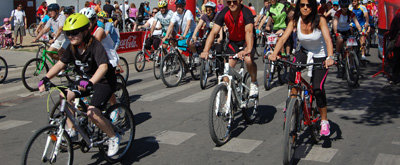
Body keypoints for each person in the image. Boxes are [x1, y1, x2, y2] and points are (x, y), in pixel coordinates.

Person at [38, 13, 120, 157]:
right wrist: (45, 78)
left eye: (75, 32)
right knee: (63, 95)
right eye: (68, 33)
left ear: (85, 31)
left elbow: (103, 67)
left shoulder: (95, 45)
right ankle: (73, 131)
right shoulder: (72, 47)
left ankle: (113, 137)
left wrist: (90, 82)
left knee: (92, 112)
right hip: (85, 81)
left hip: (103, 81)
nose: (71, 36)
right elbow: (60, 64)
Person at [269, 0, 334, 136]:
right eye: (302, 5)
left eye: (308, 5)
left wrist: (330, 57)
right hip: (304, 52)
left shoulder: (320, 19)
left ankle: (324, 120)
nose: (305, 8)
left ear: (313, 7)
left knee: (317, 88)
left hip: (320, 55)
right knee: (293, 71)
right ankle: (293, 102)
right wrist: (274, 54)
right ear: (299, 6)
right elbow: (283, 38)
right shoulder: (295, 20)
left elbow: (328, 40)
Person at [201, 0, 259, 97]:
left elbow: (249, 32)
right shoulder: (224, 12)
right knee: (226, 74)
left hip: (246, 41)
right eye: (229, 2)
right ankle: (227, 106)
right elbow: (214, 32)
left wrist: (247, 50)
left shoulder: (246, 12)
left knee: (248, 60)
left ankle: (254, 82)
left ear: (240, 1)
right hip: (233, 43)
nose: (231, 4)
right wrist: (205, 50)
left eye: (234, 1)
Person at [333, 0, 362, 78]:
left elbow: (356, 23)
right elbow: (335, 23)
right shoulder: (338, 13)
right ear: (341, 7)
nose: (344, 9)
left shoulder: (351, 13)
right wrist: (335, 32)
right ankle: (337, 54)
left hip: (347, 31)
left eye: (346, 7)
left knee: (350, 45)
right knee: (340, 40)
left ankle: (351, 64)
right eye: (343, 7)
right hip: (339, 31)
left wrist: (360, 30)